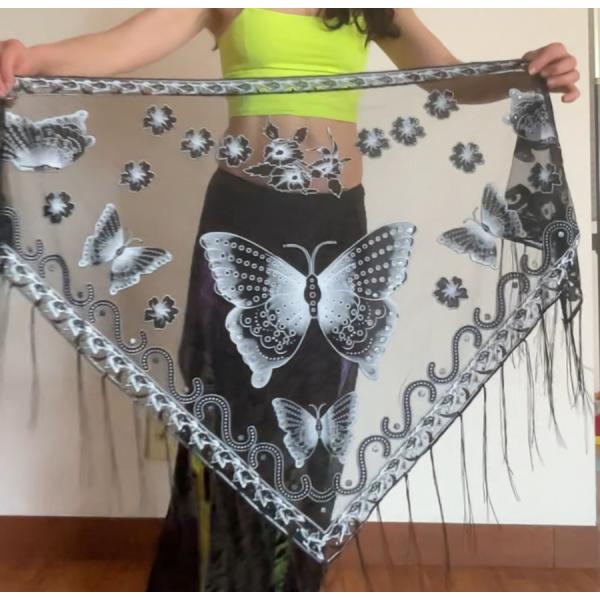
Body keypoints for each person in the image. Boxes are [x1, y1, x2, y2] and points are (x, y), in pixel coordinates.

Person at [0, 8, 580, 592]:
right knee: (225, 414)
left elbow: (449, 78)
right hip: (244, 220)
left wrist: (527, 71)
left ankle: (289, 582)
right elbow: (121, 45)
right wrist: (29, 58)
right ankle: (212, 581)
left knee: (318, 420)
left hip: (337, 227)